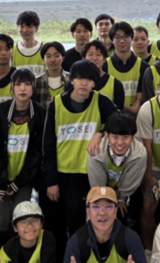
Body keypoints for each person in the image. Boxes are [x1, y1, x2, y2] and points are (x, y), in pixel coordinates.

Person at [42, 60, 117, 241]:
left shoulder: (102, 101)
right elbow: (48, 145)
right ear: (72, 80)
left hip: (88, 173)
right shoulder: (56, 104)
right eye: (80, 79)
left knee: (79, 222)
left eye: (90, 80)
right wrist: (51, 181)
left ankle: (79, 259)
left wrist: (100, 133)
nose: (85, 84)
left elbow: (120, 123)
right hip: (61, 173)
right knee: (57, 223)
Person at [0, 69, 52, 234]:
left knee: (20, 220)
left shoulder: (41, 113)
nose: (23, 88)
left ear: (34, 87)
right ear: (11, 87)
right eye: (18, 84)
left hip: (24, 181)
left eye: (27, 84)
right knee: (0, 223)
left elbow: (37, 154)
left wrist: (17, 183)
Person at [86, 111, 150, 231]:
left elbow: (130, 183)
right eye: (115, 137)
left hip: (123, 192)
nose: (120, 143)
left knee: (122, 215)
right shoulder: (95, 151)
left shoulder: (140, 154)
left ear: (133, 137)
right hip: (100, 190)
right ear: (107, 135)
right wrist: (106, 204)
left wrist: (121, 198)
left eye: (125, 137)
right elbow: (99, 190)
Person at [106, 22, 144, 112]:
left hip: (136, 121)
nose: (122, 41)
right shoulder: (105, 66)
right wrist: (130, 109)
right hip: (112, 120)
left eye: (126, 36)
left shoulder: (143, 66)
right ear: (112, 40)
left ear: (131, 38)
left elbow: (141, 98)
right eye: (117, 37)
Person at [12, 11, 45, 76]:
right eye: (21, 26)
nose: (25, 30)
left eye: (29, 26)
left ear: (37, 28)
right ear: (17, 28)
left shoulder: (45, 49)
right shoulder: (12, 50)